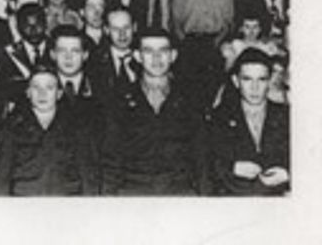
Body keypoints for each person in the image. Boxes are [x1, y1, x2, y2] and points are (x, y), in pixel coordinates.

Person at [100, 29, 205, 195]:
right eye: (148, 51)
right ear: (137, 56)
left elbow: (201, 159)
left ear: (173, 55)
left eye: (163, 51)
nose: (156, 58)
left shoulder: (190, 100)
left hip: (179, 191)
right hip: (133, 191)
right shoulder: (120, 101)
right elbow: (111, 160)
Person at [0, 66, 99, 195]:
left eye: (49, 88)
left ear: (59, 94)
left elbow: (88, 176)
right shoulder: (12, 128)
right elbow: (2, 178)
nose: (42, 94)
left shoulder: (77, 128)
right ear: (28, 93)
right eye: (36, 88)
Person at [204, 48, 289, 195]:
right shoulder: (218, 118)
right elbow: (206, 165)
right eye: (247, 79)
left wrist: (289, 174)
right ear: (236, 81)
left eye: (262, 79)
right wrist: (232, 168)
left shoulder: (287, 115)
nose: (254, 88)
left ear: (270, 81)